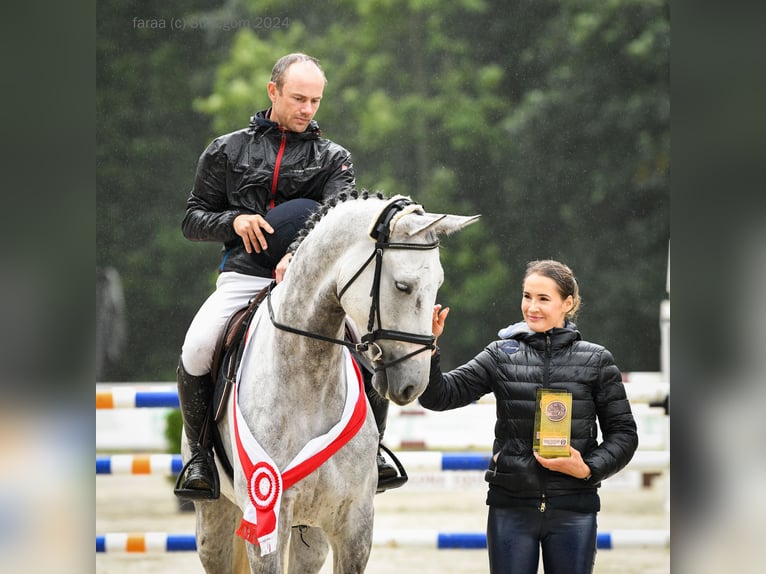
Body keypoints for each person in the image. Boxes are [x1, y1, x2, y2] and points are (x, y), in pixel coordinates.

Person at [176, 53, 401, 500]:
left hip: (313, 285)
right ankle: (200, 455)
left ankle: (373, 448)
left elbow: (338, 219)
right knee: (197, 349)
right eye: (298, 98)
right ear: (273, 91)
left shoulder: (334, 158)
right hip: (243, 277)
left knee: (369, 349)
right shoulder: (225, 150)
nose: (307, 109)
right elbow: (192, 219)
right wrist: (234, 222)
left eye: (315, 101)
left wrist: (297, 256)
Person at [421, 259, 638, 573]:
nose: (532, 307)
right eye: (527, 296)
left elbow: (624, 434)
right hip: (510, 508)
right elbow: (440, 396)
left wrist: (588, 469)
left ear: (568, 303)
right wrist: (429, 346)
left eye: (543, 298)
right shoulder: (499, 354)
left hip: (574, 509)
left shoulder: (597, 360)